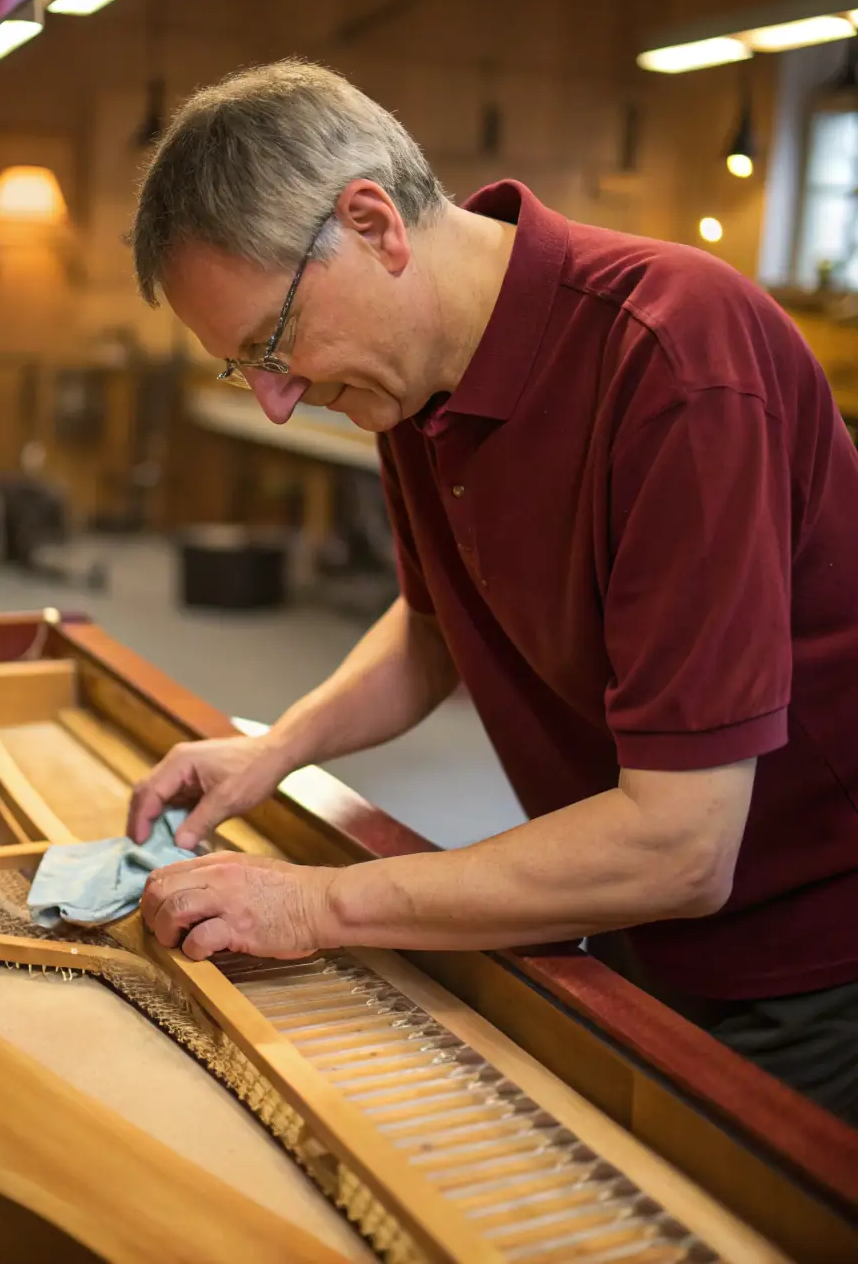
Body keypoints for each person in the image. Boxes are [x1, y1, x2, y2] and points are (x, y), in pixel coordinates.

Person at [126, 59, 858, 1124]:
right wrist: (274, 748)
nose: (280, 403)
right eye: (249, 369)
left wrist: (321, 901)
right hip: (616, 910)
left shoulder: (674, 357)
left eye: (271, 347)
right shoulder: (410, 377)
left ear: (374, 226)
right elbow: (435, 627)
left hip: (801, 952)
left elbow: (684, 844)